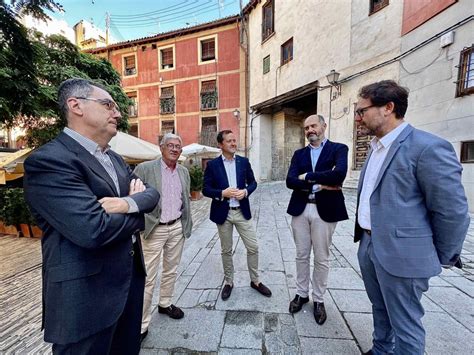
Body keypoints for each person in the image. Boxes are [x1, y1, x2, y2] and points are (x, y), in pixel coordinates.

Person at [24, 78, 159, 355]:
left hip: (128, 286)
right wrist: (137, 211)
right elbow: (93, 229)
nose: (118, 113)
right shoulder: (50, 161)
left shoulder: (116, 159)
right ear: (76, 106)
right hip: (85, 300)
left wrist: (124, 204)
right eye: (108, 104)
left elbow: (152, 195)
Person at [354, 80, 469, 355]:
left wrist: (440, 256)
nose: (358, 118)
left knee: (406, 325)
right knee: (380, 308)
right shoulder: (375, 148)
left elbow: (452, 210)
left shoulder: (427, 147)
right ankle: (381, 349)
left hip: (403, 254)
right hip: (369, 245)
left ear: (388, 108)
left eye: (362, 111)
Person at [286, 114, 349, 325]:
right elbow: (289, 181)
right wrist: (322, 182)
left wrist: (307, 176)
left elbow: (339, 175)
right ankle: (301, 294)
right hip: (301, 210)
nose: (309, 130)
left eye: (313, 125)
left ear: (323, 126)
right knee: (301, 255)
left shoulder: (338, 149)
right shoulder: (299, 153)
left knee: (322, 257)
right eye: (306, 128)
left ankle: (319, 299)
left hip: (326, 211)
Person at [133, 133, 192, 342]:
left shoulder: (184, 171)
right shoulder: (144, 169)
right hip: (153, 230)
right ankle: (141, 325)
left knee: (171, 270)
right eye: (170, 145)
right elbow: (133, 197)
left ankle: (165, 303)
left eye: (178, 146)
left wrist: (186, 224)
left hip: (176, 227)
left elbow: (185, 199)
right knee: (148, 277)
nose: (175, 149)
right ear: (161, 147)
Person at [203, 130, 272, 300]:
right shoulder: (212, 165)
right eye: (229, 141)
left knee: (253, 246)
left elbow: (253, 183)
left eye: (234, 140)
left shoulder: (243, 162)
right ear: (221, 145)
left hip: (241, 211)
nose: (234, 143)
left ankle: (255, 281)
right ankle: (229, 282)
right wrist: (222, 193)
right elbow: (205, 189)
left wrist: (246, 192)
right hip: (223, 213)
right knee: (226, 250)